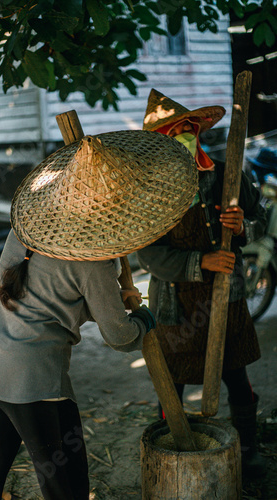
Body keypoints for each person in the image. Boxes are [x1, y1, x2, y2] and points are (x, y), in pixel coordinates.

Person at [0, 131, 196, 500]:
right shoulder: (94, 260)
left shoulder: (28, 228)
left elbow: (48, 294)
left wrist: (113, 297)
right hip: (33, 380)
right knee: (65, 486)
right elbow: (120, 337)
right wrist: (143, 319)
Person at [138, 89, 267, 477]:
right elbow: (149, 255)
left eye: (187, 130)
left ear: (197, 132)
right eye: (172, 134)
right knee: (171, 387)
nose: (182, 139)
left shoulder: (229, 176)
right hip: (174, 305)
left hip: (226, 299)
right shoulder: (152, 191)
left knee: (236, 377)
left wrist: (244, 226)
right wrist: (201, 261)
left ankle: (249, 450)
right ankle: (172, 454)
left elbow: (262, 219)